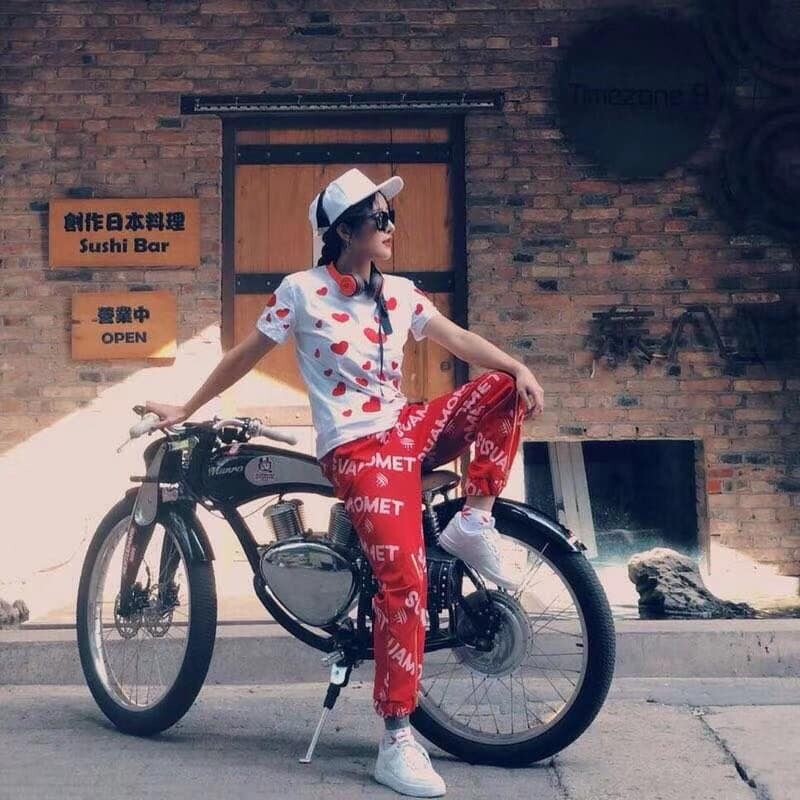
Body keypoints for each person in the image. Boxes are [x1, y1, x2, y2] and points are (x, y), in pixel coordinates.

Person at [145, 167, 544, 798]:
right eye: (380, 218)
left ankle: (474, 518)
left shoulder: (401, 293)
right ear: (345, 230)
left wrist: (518, 366)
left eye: (390, 216)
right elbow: (246, 353)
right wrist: (188, 407)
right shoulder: (301, 292)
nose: (391, 227)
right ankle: (397, 738)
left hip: (407, 426)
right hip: (356, 448)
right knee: (404, 579)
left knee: (501, 388)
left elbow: (459, 340)